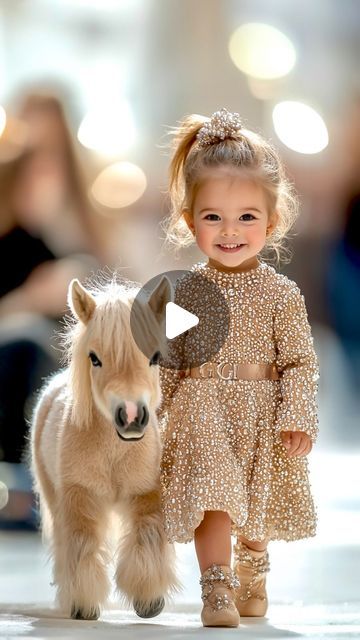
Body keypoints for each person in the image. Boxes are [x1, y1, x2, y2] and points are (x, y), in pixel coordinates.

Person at [157, 108, 319, 627]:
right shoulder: (186, 292)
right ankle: (217, 587)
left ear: (272, 222)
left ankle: (253, 569)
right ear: (190, 222)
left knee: (256, 500)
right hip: (201, 412)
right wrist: (150, 414)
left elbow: (299, 361)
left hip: (260, 414)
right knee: (213, 498)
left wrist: (297, 415)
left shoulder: (282, 294)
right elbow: (169, 359)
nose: (230, 231)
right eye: (213, 217)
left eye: (247, 216)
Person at [0, 93, 101, 526]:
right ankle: (21, 486)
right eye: (31, 152)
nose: (41, 166)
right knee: (26, 341)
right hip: (14, 344)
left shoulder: (80, 222)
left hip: (65, 346)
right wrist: (26, 300)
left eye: (52, 152)